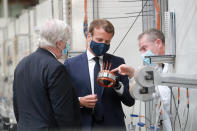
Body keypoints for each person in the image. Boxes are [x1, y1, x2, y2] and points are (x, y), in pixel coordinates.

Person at [64, 19, 135, 131]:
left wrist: (117, 84)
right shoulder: (71, 64)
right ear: (89, 37)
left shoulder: (118, 63)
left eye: (107, 42)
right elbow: (63, 98)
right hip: (83, 125)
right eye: (99, 40)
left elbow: (130, 101)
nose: (103, 44)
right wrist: (80, 101)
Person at [13, 19, 81, 131]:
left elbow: (17, 107)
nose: (66, 45)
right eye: (66, 41)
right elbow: (63, 113)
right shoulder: (55, 68)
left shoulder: (21, 65)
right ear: (59, 43)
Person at [111, 28, 172, 131]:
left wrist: (136, 74)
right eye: (140, 50)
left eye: (144, 48)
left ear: (158, 43)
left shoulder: (173, 67)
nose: (142, 54)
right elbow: (145, 95)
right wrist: (132, 74)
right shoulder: (157, 69)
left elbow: (167, 97)